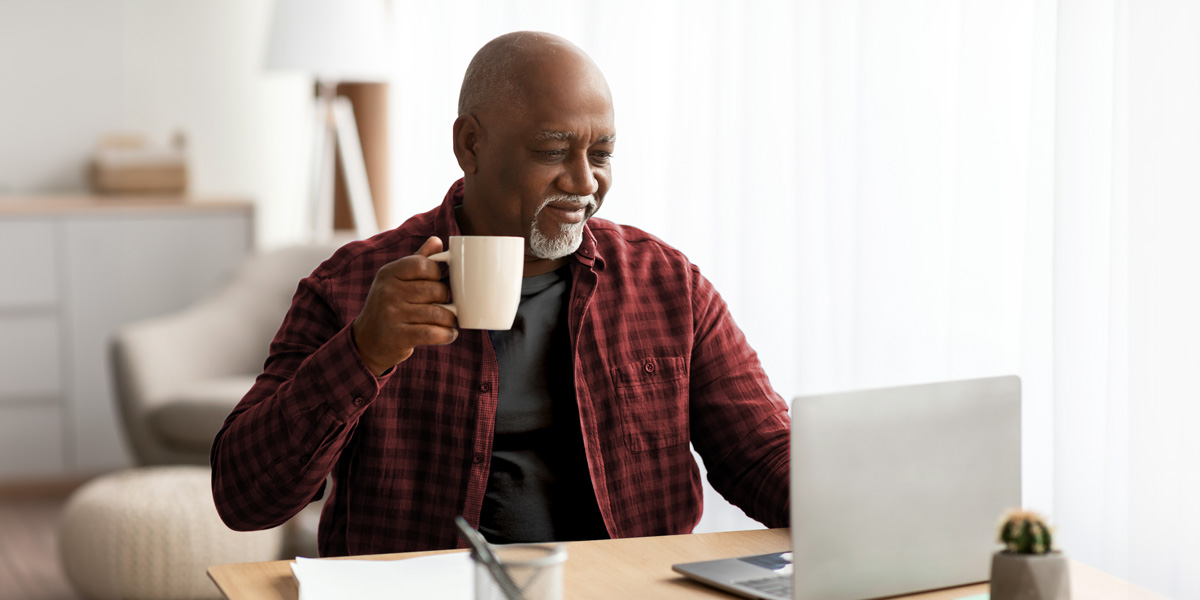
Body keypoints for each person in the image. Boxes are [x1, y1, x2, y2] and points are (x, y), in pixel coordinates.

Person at [211, 31, 790, 558]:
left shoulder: (666, 285)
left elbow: (762, 454)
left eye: (602, 153)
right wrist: (363, 352)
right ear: (470, 145)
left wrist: (861, 507)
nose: (585, 182)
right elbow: (245, 499)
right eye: (553, 150)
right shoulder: (353, 287)